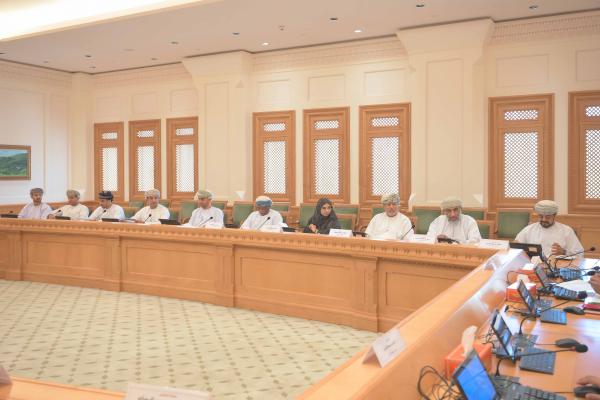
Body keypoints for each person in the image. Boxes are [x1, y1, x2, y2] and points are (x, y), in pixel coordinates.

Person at [515, 200, 583, 258]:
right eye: (541, 216)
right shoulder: (529, 230)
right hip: (534, 265)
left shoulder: (566, 231)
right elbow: (515, 247)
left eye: (547, 217)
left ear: (554, 215)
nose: (544, 220)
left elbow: (579, 253)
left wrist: (564, 252)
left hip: (558, 266)